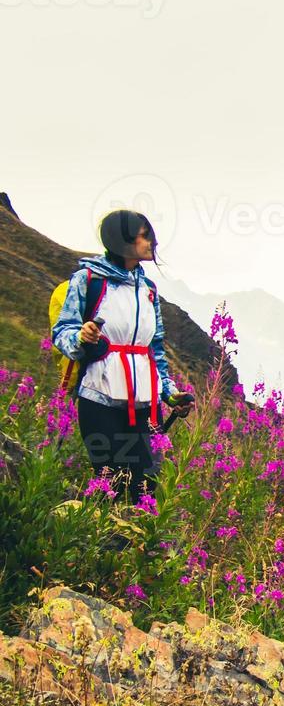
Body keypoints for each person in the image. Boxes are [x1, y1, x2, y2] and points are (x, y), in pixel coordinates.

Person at [51, 209, 195, 504]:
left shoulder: (148, 290)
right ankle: (97, 545)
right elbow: (62, 331)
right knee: (108, 480)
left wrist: (170, 394)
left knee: (146, 483)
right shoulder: (87, 280)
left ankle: (137, 547)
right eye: (144, 235)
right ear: (122, 240)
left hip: (144, 401)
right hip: (99, 397)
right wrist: (81, 337)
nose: (151, 242)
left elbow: (154, 349)